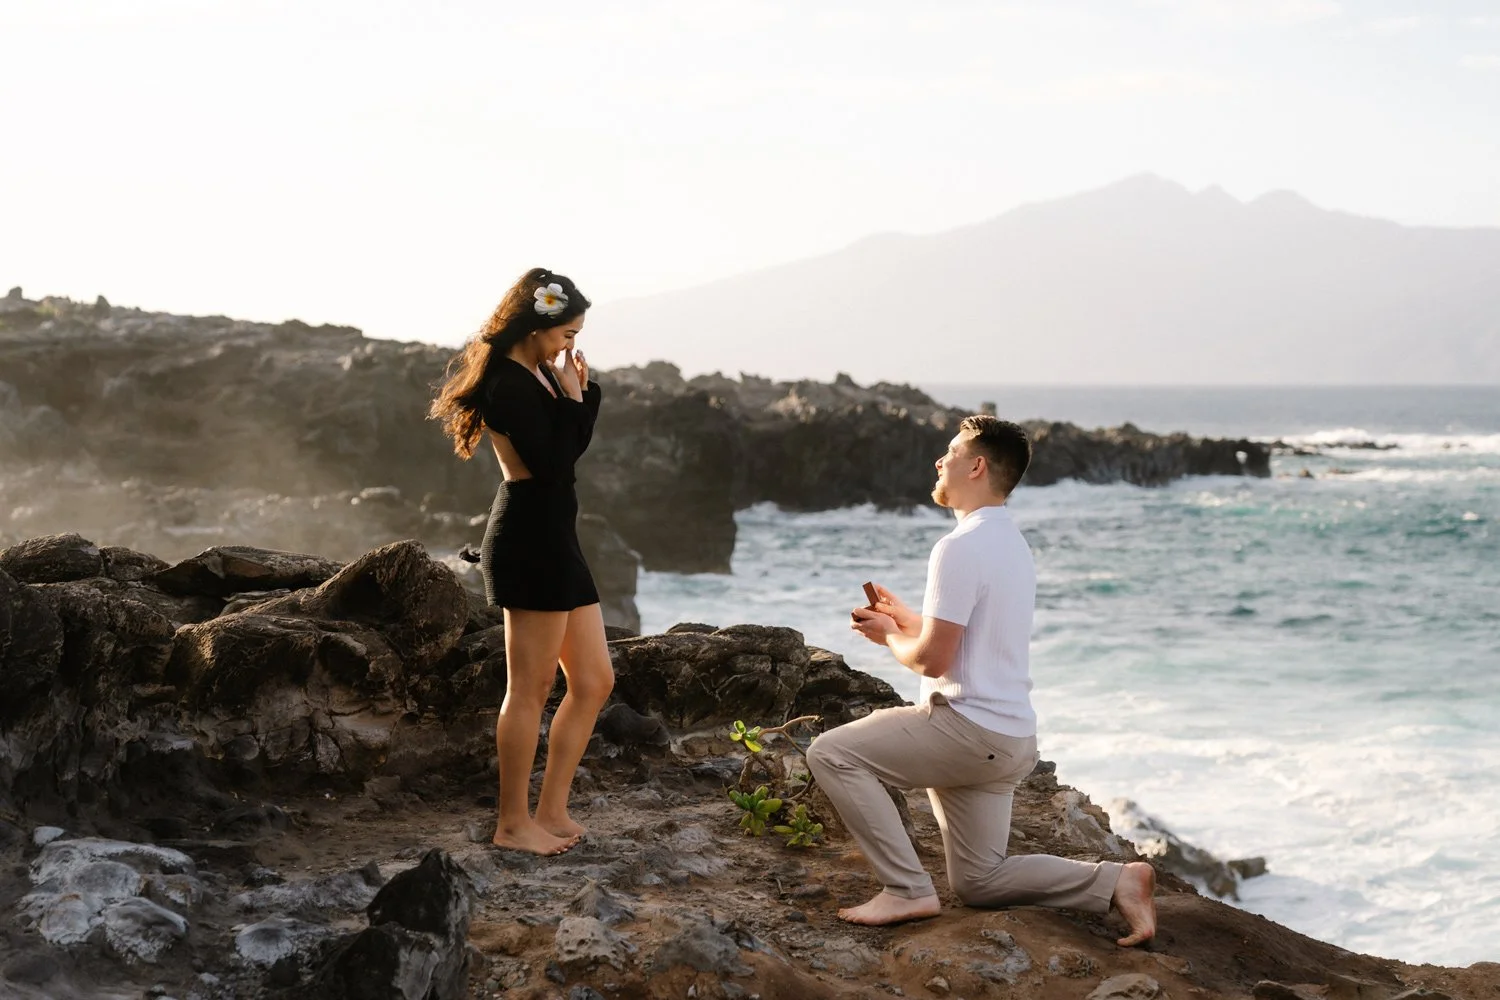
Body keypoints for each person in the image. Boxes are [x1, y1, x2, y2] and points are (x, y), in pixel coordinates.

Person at [806, 415, 1157, 945]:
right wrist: (907, 621)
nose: (939, 461)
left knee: (831, 753)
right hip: (1009, 738)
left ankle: (905, 889)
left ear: (976, 465)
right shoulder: (1010, 542)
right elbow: (972, 642)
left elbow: (934, 663)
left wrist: (889, 639)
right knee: (980, 881)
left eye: (949, 451)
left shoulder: (958, 546)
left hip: (966, 732)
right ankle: (1118, 881)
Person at [430, 268, 614, 857]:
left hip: (556, 538)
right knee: (530, 689)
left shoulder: (535, 372)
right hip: (529, 540)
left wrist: (569, 391)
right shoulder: (507, 385)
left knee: (593, 681)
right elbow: (557, 462)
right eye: (566, 334)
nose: (572, 347)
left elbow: (562, 451)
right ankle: (512, 823)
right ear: (535, 326)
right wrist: (577, 398)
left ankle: (552, 809)